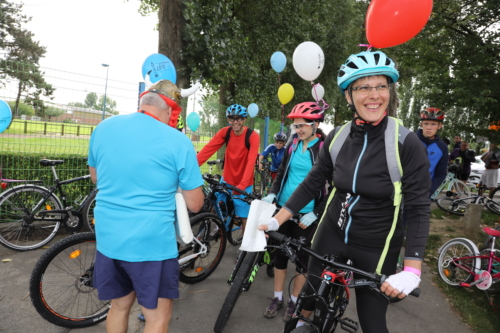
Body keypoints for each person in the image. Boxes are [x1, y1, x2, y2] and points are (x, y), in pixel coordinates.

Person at [259, 50, 431, 333]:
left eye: (381, 86)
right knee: (307, 302)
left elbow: (419, 208)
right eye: (364, 87)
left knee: (373, 323)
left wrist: (412, 270)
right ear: (349, 95)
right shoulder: (338, 137)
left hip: (377, 244)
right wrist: (279, 218)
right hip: (332, 232)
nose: (374, 95)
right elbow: (313, 182)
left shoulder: (406, 143)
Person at [88, 79, 205, 333]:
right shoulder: (178, 141)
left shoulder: (103, 128)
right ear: (169, 110)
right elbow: (195, 204)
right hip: (152, 246)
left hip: (108, 241)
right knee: (157, 318)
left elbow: (96, 178)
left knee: (118, 307)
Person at [260, 102, 329, 321]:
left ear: (315, 124)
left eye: (302, 126)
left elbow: (333, 186)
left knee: (301, 262)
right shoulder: (292, 145)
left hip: (305, 216)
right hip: (283, 209)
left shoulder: (322, 150)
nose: (297, 130)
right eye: (295, 126)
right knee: (280, 257)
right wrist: (272, 193)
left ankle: (294, 301)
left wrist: (316, 213)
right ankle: (277, 298)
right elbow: (281, 174)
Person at [197, 104, 260, 233]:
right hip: (227, 179)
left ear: (244, 120)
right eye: (232, 118)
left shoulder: (252, 136)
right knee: (215, 208)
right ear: (228, 119)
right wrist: (192, 166)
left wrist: (242, 186)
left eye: (239, 118)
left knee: (243, 217)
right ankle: (218, 233)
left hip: (244, 182)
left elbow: (251, 162)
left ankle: (246, 249)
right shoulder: (225, 132)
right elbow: (208, 149)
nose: (235, 122)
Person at [416, 108, 448, 197]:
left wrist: (429, 191)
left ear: (440, 126)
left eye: (433, 124)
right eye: (426, 123)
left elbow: (441, 174)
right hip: (401, 190)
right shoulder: (410, 140)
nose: (429, 127)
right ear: (421, 124)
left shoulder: (442, 147)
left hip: (423, 194)